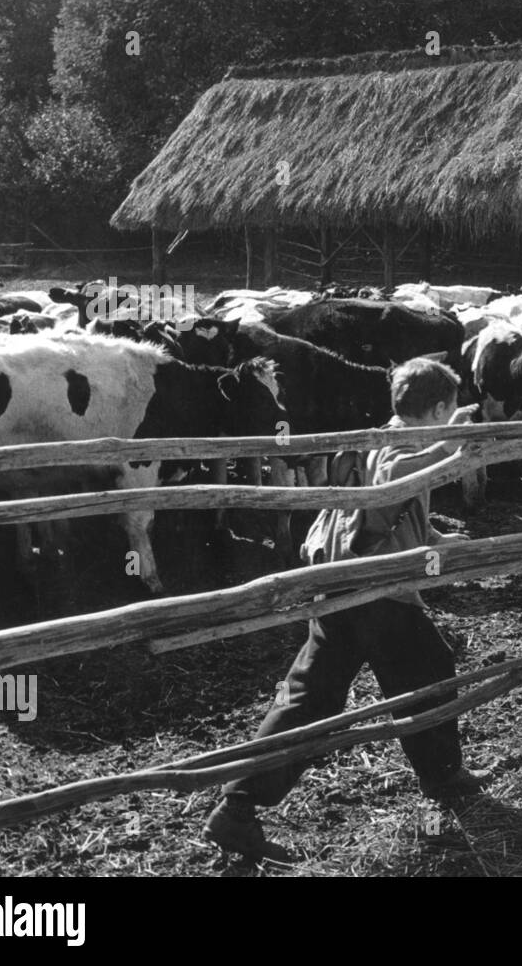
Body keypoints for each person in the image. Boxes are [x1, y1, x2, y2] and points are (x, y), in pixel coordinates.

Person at [204, 357, 490, 861]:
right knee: (430, 672)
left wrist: (437, 535)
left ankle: (237, 806)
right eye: (449, 412)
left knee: (311, 698)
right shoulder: (405, 446)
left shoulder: (379, 436)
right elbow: (392, 487)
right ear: (441, 407)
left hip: (336, 580)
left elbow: (380, 510)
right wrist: (451, 447)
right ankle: (443, 777)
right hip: (373, 590)